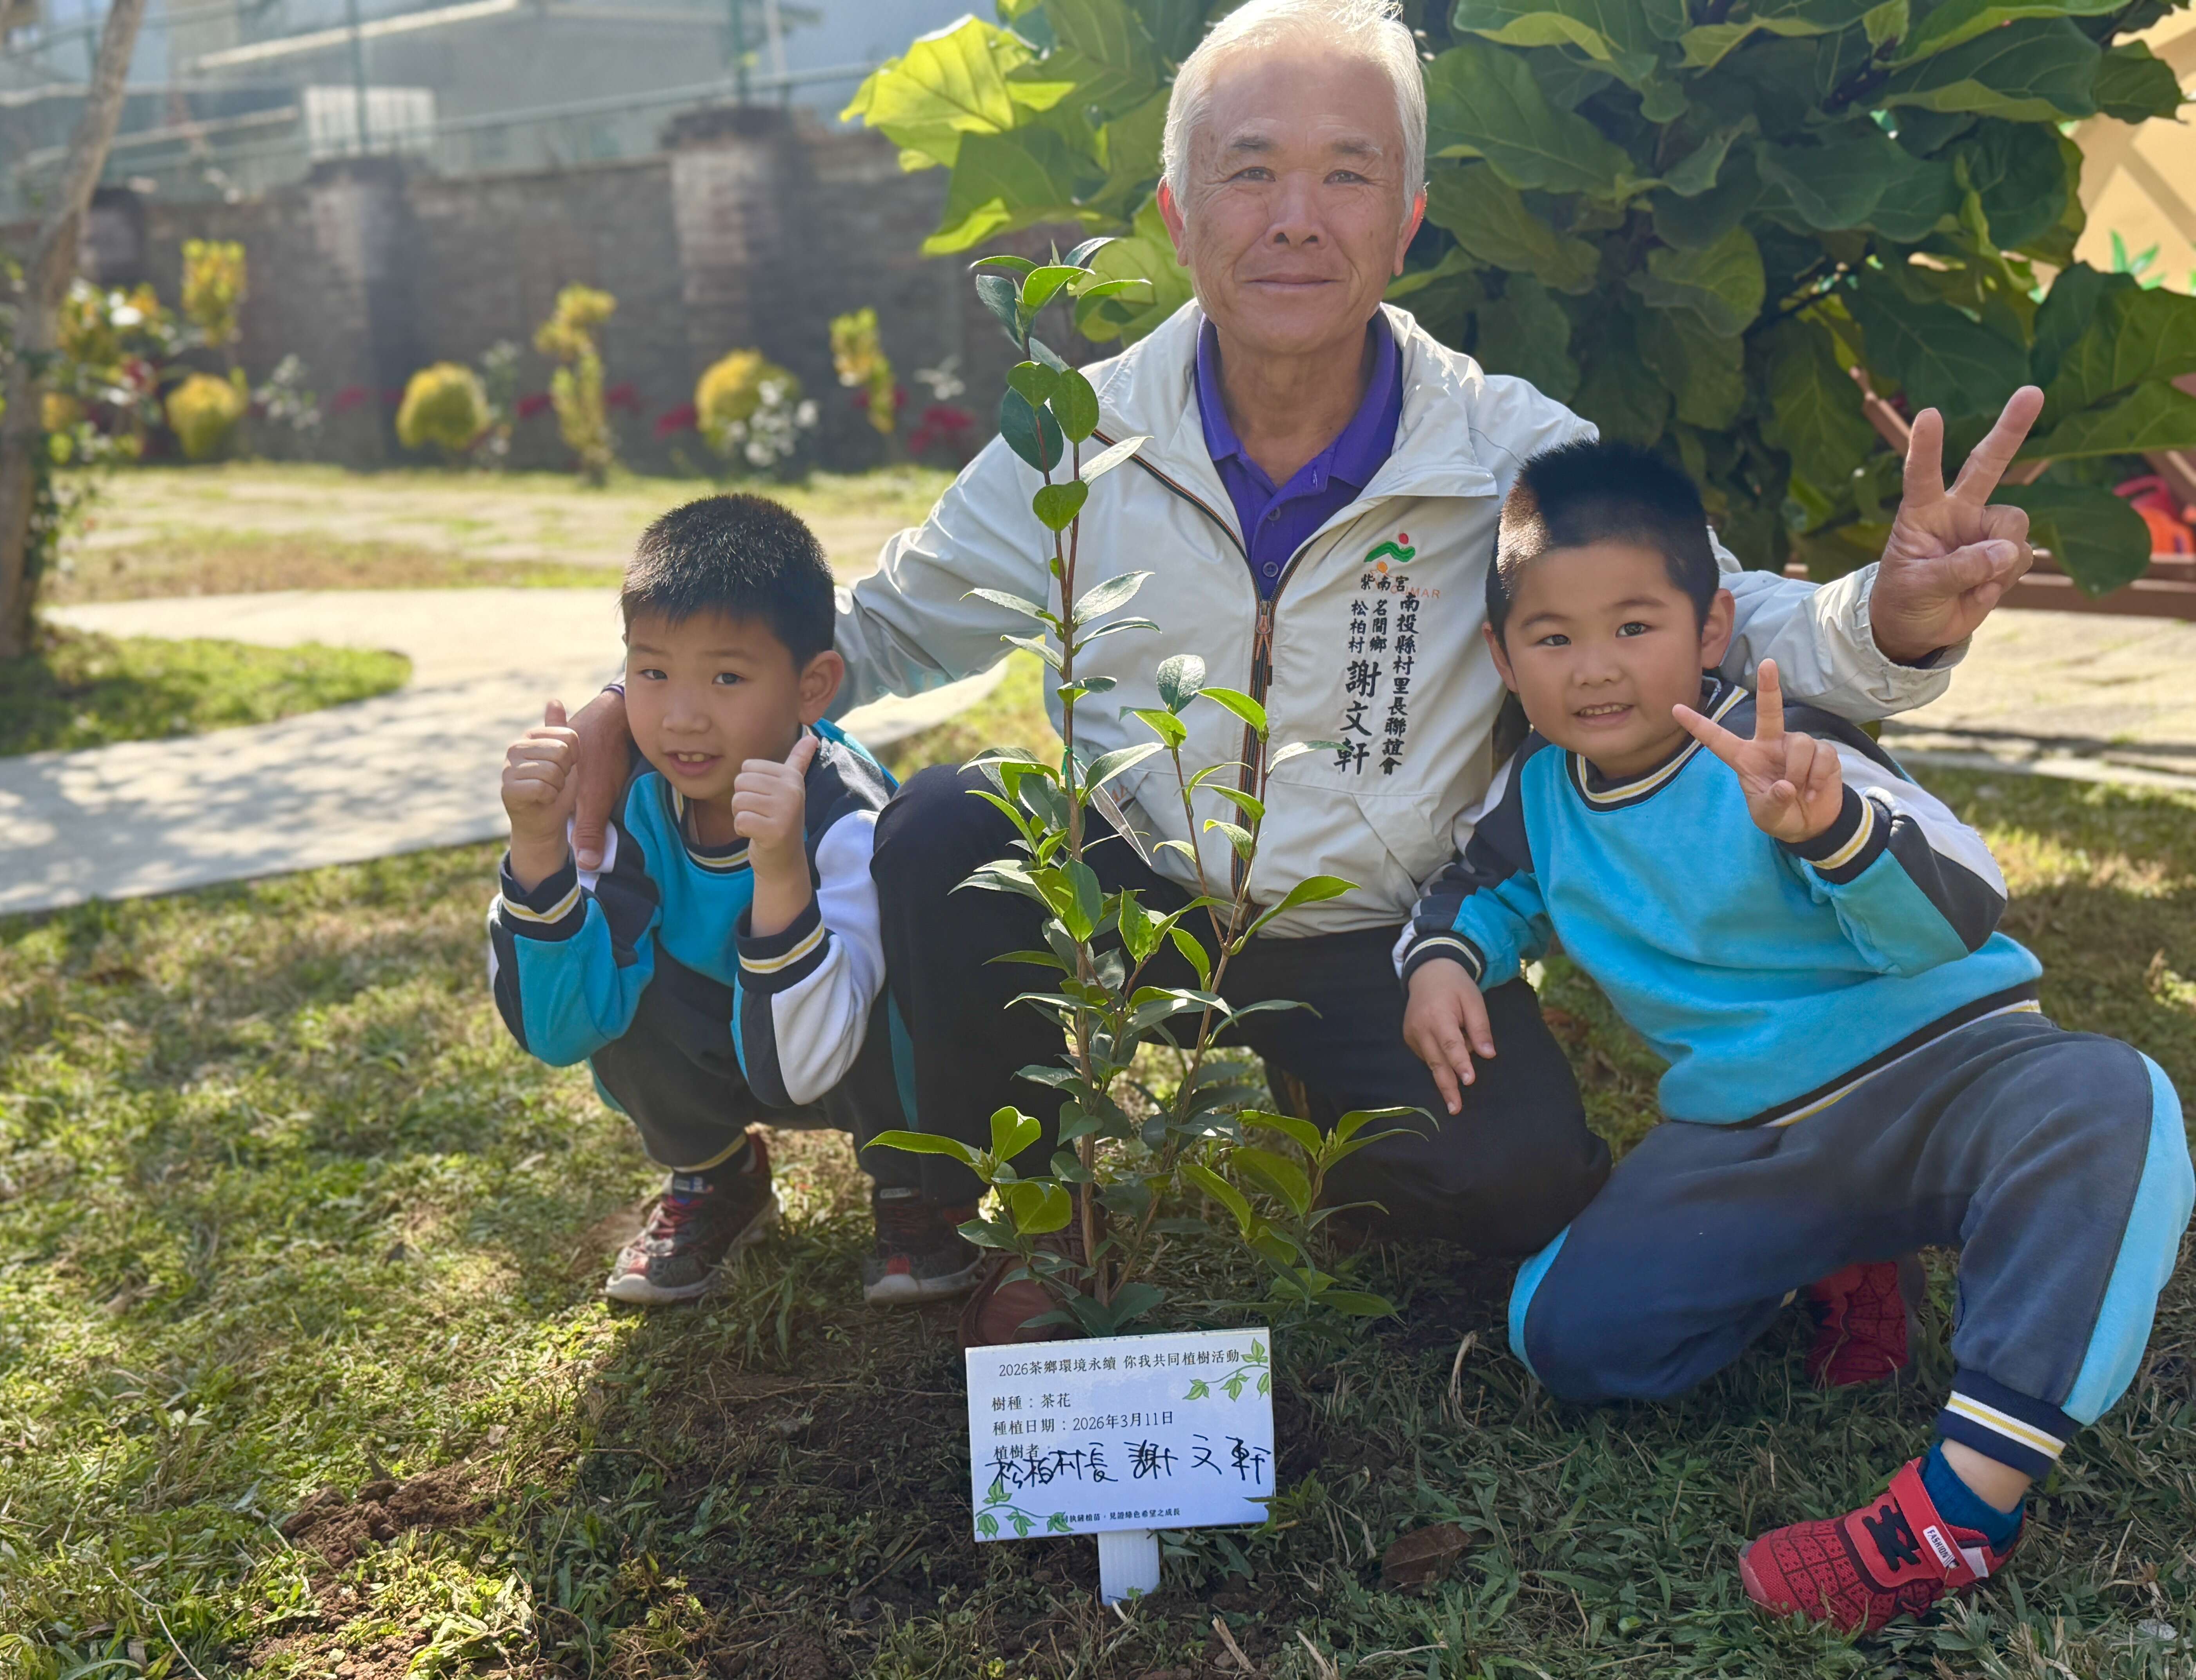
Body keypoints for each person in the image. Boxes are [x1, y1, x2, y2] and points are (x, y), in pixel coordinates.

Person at [564, 0, 2045, 1334]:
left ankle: (1319, 1097)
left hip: (1372, 927)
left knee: (1515, 1182)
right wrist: (630, 713)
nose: (1295, 217)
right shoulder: (1074, 436)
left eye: (1346, 173)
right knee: (950, 827)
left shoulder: (1495, 448)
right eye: (1249, 168)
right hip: (1138, 884)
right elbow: (871, 631)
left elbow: (1720, 610)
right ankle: (994, 1208)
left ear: (1406, 221)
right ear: (1176, 206)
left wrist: (1893, 613)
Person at [1398, 439, 2193, 1635]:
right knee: (1560, 1331)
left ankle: (1954, 1514)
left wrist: (1830, 830)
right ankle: (1840, 1254)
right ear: (1506, 659)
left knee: (2114, 1104)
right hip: (1751, 1132)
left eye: (1635, 624)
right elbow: (1477, 888)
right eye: (1553, 638)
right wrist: (1447, 963)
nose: (1597, 669)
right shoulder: (1540, 798)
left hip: (1951, 1069)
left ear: (1713, 626)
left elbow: (1957, 913)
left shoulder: (1790, 739)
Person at [488, 495, 982, 1308]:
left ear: (812, 686)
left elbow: (806, 1064)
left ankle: (914, 1183)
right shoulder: (629, 801)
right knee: (612, 960)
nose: (682, 716)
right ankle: (716, 1173)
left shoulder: (842, 811)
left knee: (902, 985)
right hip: (722, 1044)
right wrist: (539, 848)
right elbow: (558, 1031)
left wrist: (783, 871)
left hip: (837, 1044)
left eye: (726, 676)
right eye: (652, 672)